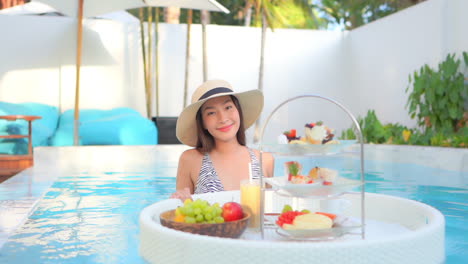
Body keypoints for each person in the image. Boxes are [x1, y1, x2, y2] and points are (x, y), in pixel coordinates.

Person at [171, 80, 274, 200]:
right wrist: (181, 200)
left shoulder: (265, 160)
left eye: (228, 107)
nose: (223, 118)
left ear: (238, 111)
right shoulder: (190, 159)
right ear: (203, 123)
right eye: (211, 113)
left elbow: (269, 215)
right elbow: (179, 212)